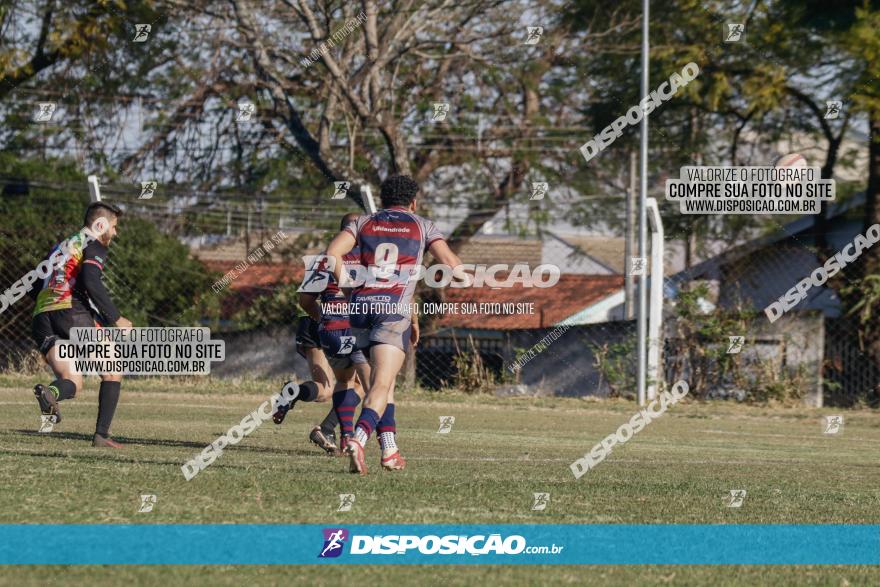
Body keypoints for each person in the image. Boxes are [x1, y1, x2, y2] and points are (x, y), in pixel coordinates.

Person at [325, 175, 469, 475]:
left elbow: (332, 254)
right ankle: (359, 438)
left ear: (384, 197)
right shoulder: (423, 225)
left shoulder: (363, 222)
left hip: (360, 310)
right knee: (381, 385)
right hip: (392, 313)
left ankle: (390, 451)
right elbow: (454, 268)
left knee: (382, 386)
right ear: (413, 201)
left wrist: (349, 286)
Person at [30, 201, 132, 448]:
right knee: (112, 368)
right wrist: (115, 318)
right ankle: (102, 436)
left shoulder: (60, 247)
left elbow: (35, 285)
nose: (115, 233)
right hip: (71, 312)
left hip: (42, 316)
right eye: (114, 227)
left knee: (72, 380)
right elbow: (90, 279)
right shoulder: (94, 243)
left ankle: (50, 394)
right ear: (100, 225)